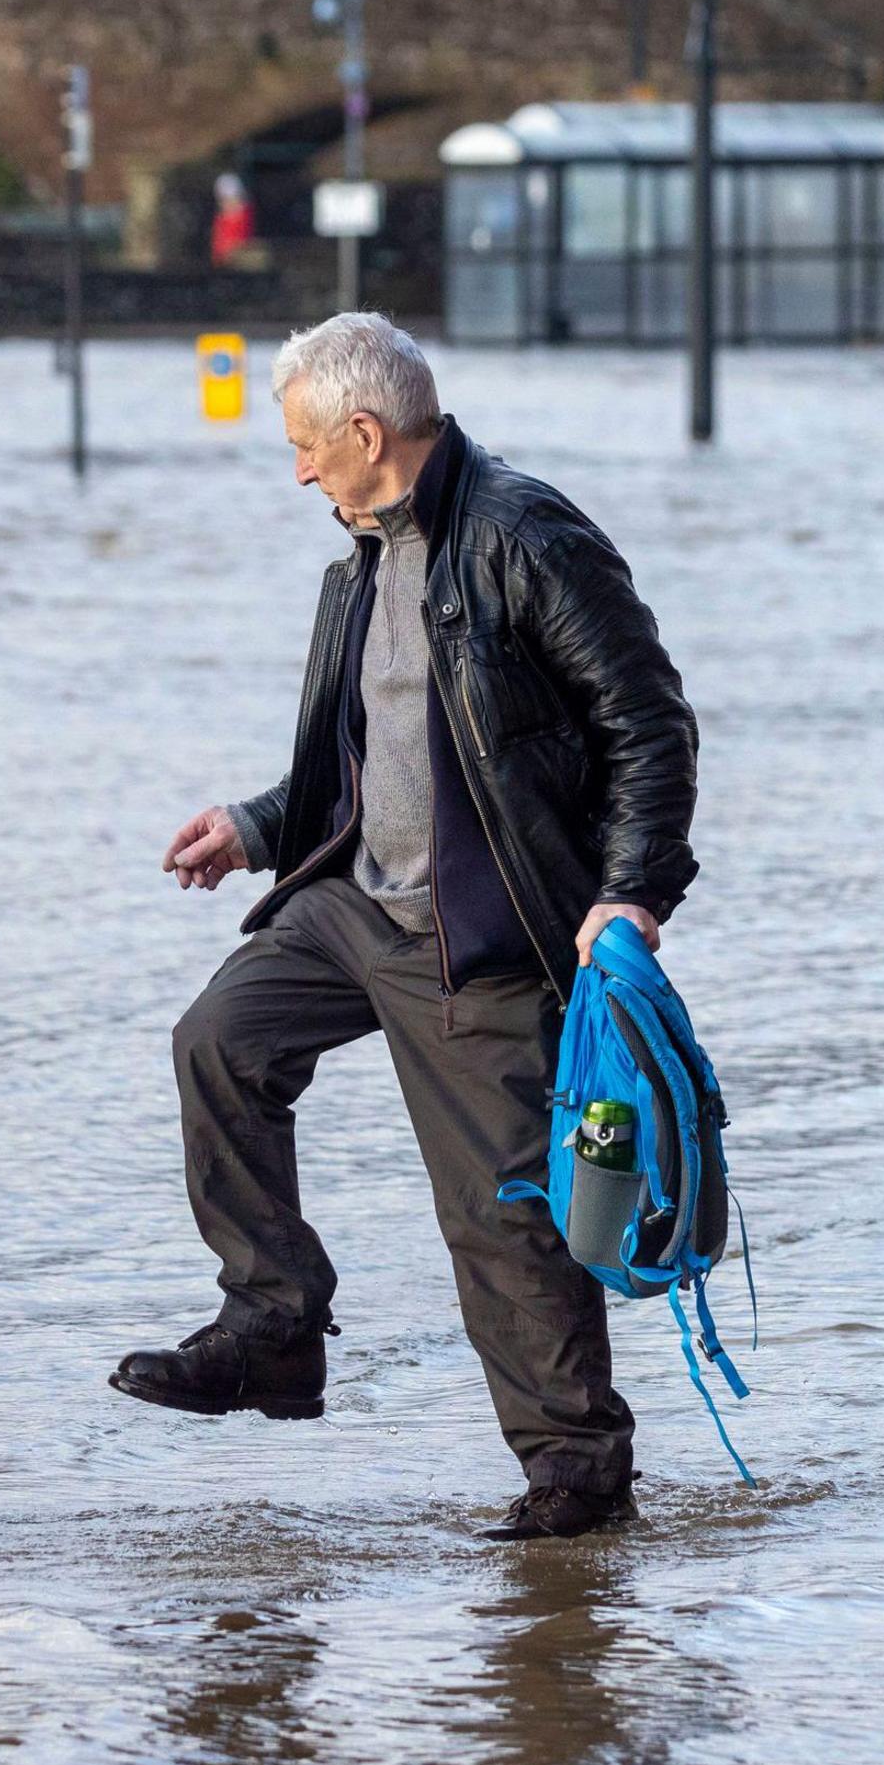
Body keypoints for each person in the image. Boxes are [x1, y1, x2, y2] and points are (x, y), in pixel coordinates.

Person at [117, 312, 701, 1541]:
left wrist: (631, 893)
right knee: (217, 1042)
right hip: (350, 902)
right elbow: (378, 757)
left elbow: (650, 725)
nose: (297, 472)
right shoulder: (364, 551)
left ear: (366, 434)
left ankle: (578, 1473)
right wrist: (258, 826)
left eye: (305, 447)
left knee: (500, 1213)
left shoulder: (527, 538)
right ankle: (274, 1326)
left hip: (477, 933)